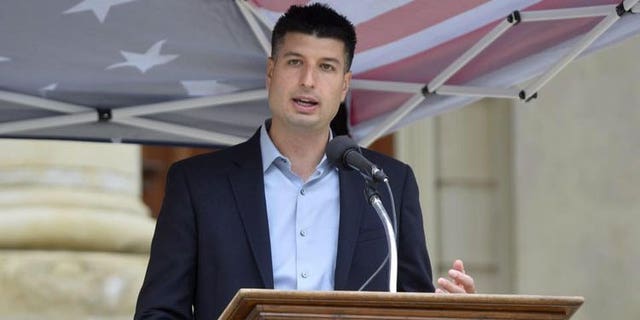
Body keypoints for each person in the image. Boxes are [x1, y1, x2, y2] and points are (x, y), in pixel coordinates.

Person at [135, 4, 475, 319]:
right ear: (271, 73)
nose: (308, 81)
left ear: (344, 86)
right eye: (295, 62)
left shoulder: (388, 184)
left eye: (326, 67)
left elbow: (411, 307)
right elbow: (159, 311)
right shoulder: (198, 184)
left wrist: (452, 313)